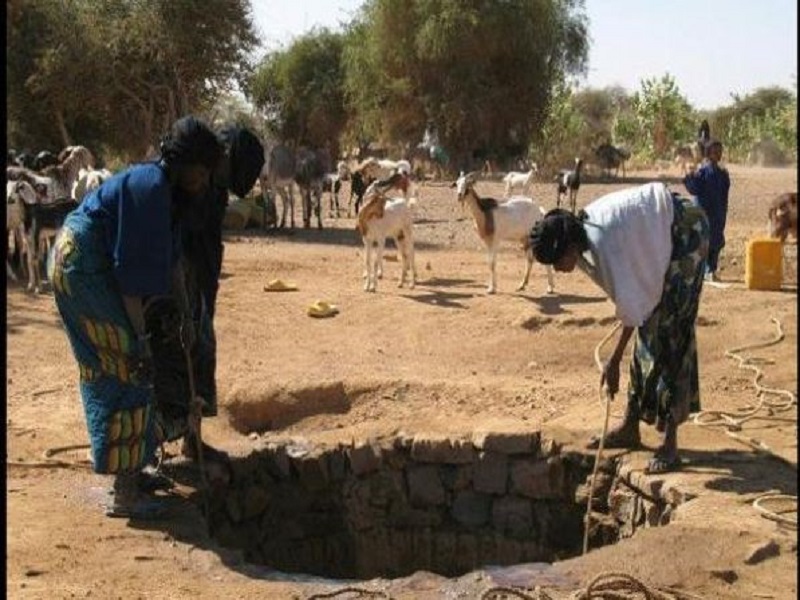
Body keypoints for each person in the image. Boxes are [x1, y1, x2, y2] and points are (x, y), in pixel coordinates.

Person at [48, 116, 225, 518]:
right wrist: (143, 339)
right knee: (127, 364)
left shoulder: (172, 197)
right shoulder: (151, 191)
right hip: (82, 270)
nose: (204, 180)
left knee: (132, 364)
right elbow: (133, 282)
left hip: (87, 264)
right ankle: (125, 491)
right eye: (201, 170)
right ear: (183, 164)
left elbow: (172, 263)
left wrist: (183, 315)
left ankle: (137, 467)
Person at [528, 182, 710, 474]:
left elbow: (633, 306)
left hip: (686, 231)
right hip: (658, 232)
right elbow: (635, 306)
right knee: (650, 327)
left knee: (670, 331)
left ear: (568, 247)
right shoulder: (585, 239)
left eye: (557, 262)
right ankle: (630, 425)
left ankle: (671, 441)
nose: (559, 270)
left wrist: (613, 361)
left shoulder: (606, 244)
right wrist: (616, 355)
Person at [151, 123, 264, 465]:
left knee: (200, 357)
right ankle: (151, 450)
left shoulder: (213, 182)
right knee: (169, 359)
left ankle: (192, 440)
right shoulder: (189, 170)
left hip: (203, 279)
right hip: (175, 283)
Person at [683, 139, 730, 282]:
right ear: (708, 154)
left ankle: (712, 270)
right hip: (703, 213)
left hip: (718, 213)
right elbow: (693, 189)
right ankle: (703, 271)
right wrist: (689, 175)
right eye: (715, 152)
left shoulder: (723, 174)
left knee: (716, 242)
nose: (718, 154)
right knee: (703, 241)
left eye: (719, 151)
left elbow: (725, 194)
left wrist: (723, 212)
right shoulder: (702, 172)